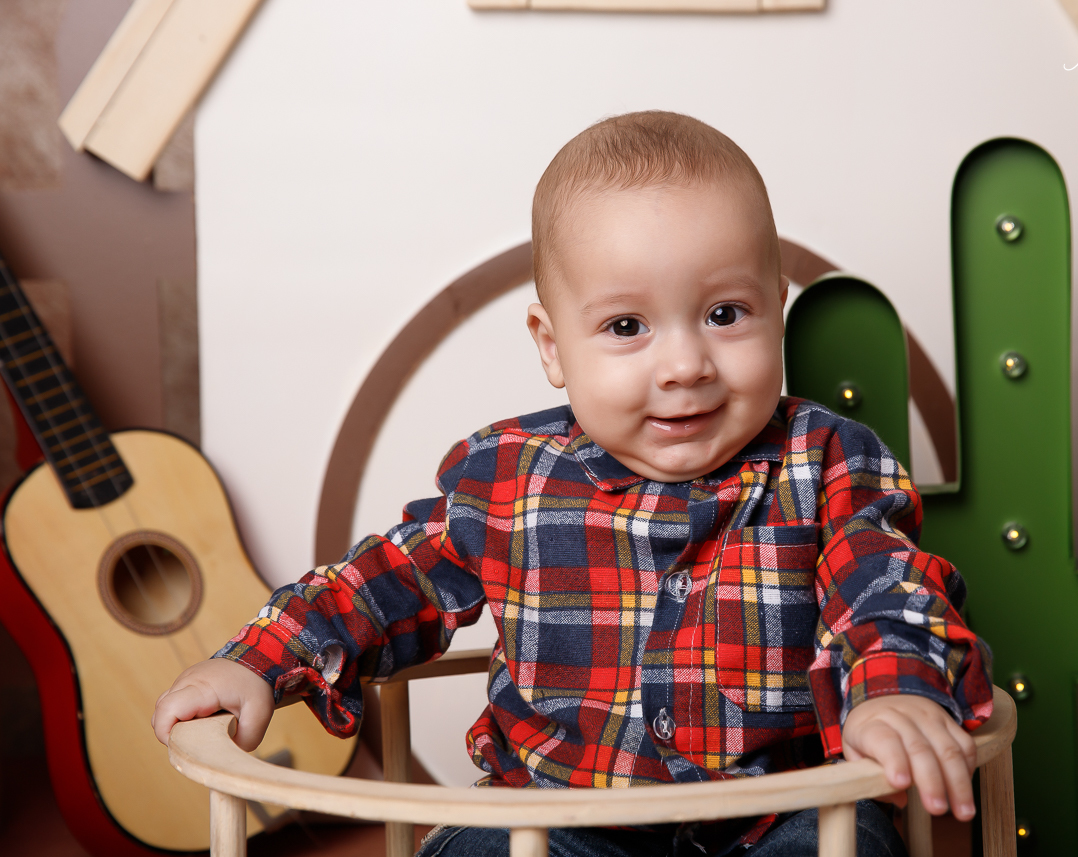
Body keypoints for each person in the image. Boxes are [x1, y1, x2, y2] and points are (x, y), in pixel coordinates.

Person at [153, 111, 993, 857]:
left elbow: (886, 587)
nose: (685, 364)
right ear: (552, 347)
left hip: (777, 818)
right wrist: (261, 661)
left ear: (776, 308)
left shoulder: (827, 459)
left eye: (725, 314)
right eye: (627, 325)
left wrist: (893, 689)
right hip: (558, 820)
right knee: (481, 849)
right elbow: (379, 582)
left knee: (849, 841)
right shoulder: (505, 478)